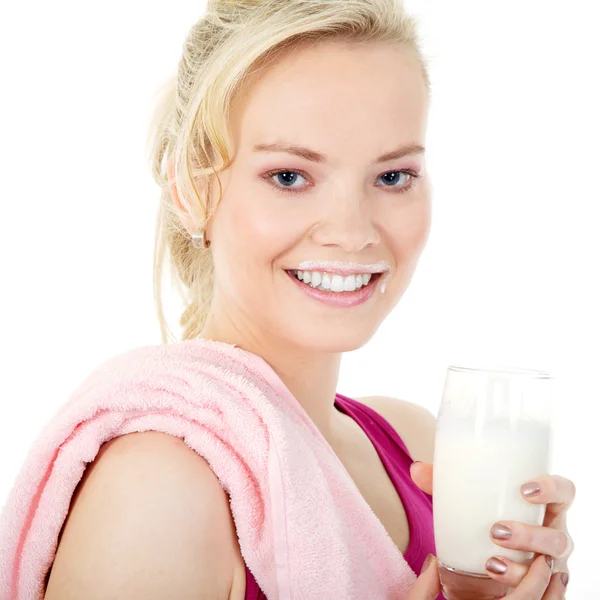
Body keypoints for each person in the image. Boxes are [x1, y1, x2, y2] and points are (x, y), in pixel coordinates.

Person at [43, 1, 575, 598]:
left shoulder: (418, 446)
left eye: (393, 176)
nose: (352, 231)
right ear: (191, 190)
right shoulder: (158, 490)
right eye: (290, 177)